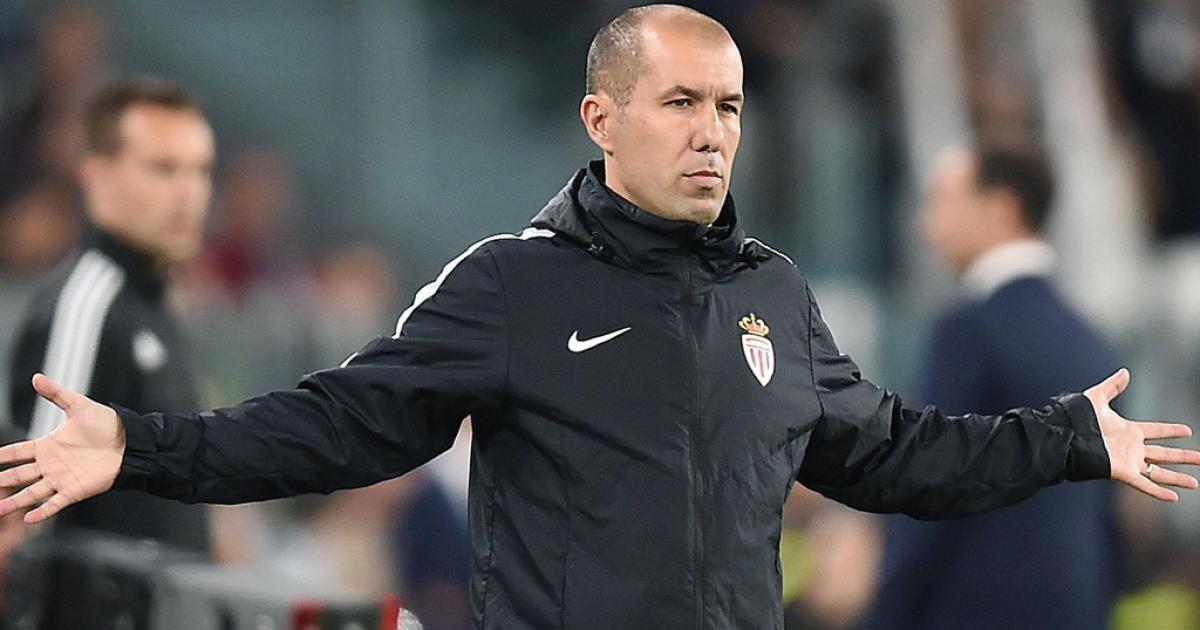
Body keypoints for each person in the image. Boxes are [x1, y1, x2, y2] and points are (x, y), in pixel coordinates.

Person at [0, 6, 1197, 629]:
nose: (712, 132)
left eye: (728, 106)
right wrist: (139, 445)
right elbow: (336, 423)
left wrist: (1064, 439)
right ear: (600, 119)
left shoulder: (773, 294)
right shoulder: (510, 286)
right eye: (679, 102)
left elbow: (895, 452)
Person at [866, 140, 1122, 630]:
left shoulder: (969, 332)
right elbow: (1107, 527)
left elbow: (925, 485)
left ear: (1002, 208)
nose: (926, 225)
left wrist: (887, 615)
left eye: (942, 200)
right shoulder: (1093, 346)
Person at [6, 78, 214, 554]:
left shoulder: (153, 302)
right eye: (163, 169)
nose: (189, 194)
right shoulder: (86, 306)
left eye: (201, 170)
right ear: (95, 175)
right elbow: (31, 514)